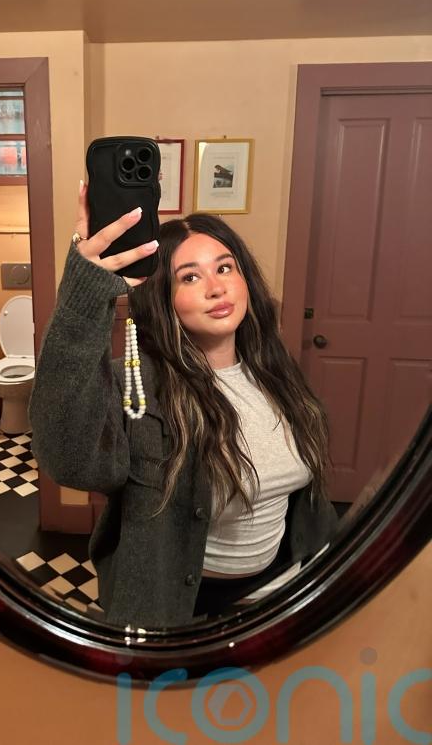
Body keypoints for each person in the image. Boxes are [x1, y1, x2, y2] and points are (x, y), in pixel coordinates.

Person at [29, 183, 338, 628]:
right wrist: (84, 296)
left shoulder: (275, 372)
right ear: (164, 298)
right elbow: (71, 461)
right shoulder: (139, 386)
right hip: (180, 618)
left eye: (225, 268)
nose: (216, 288)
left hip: (282, 597)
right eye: (190, 277)